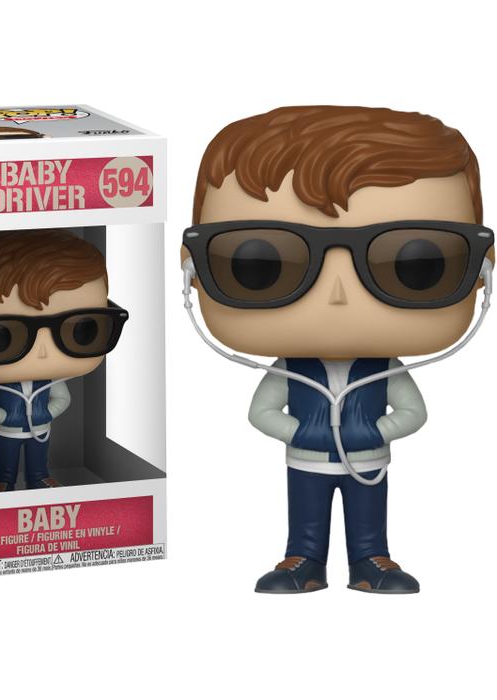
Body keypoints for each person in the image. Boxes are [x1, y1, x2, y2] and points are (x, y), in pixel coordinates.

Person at [182, 106, 493, 593]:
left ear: (482, 272)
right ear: (193, 272)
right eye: (261, 263)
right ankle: (303, 560)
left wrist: (376, 431)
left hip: (368, 460)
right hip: (306, 460)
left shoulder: (383, 367)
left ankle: (371, 559)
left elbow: (414, 412)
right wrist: (299, 432)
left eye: (415, 262)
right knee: (305, 513)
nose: (338, 295)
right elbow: (260, 412)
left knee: (369, 512)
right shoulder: (291, 368)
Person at [0, 229, 128, 491]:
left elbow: (63, 399)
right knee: (6, 458)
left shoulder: (49, 383)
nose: (43, 352)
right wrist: (3, 416)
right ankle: (3, 481)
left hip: (41, 428)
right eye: (0, 336)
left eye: (82, 329)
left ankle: (39, 478)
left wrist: (46, 413)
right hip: (8, 430)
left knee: (38, 457)